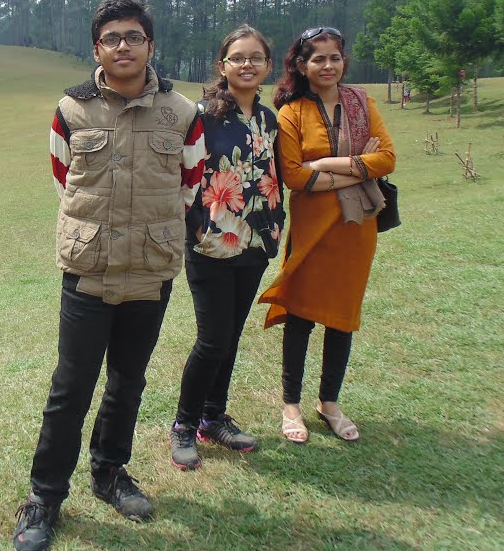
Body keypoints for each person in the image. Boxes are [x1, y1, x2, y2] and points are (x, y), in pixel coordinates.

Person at [12, 0, 206, 551]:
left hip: (150, 270)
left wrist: (148, 230)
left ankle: (110, 473)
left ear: (151, 44)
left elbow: (189, 186)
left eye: (134, 36)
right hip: (89, 271)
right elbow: (62, 177)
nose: (124, 46)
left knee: (129, 380)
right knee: (70, 388)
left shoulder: (182, 112)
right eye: (112, 38)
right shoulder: (70, 111)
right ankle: (46, 495)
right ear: (97, 48)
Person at [258, 27, 395, 444]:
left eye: (334, 57)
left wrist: (329, 164)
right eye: (318, 58)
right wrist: (354, 169)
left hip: (357, 229)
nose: (328, 65)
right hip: (312, 227)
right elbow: (295, 176)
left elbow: (386, 158)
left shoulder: (361, 102)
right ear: (302, 65)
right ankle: (291, 405)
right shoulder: (291, 113)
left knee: (342, 316)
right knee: (300, 316)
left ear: (343, 61)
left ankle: (329, 402)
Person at [169, 25, 284, 471]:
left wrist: (276, 223)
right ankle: (183, 424)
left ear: (267, 66)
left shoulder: (268, 120)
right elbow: (180, 174)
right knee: (212, 339)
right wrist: (194, 227)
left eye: (256, 57)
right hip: (212, 241)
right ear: (223, 66)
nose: (247, 64)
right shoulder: (200, 116)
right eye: (238, 57)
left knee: (231, 337)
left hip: (256, 241)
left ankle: (213, 417)